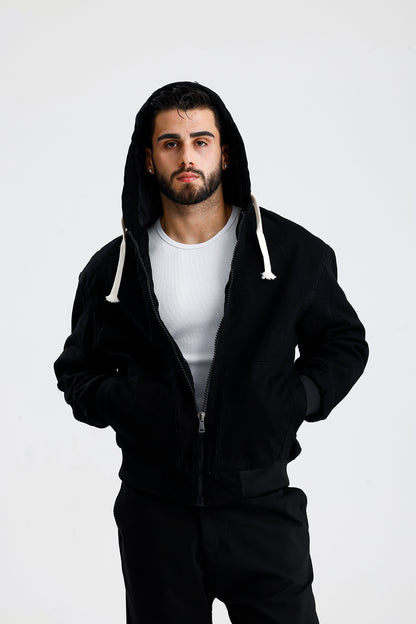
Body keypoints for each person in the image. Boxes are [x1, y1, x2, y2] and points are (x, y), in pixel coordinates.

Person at [54, 81, 369, 624]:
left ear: (224, 153)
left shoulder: (293, 254)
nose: (187, 156)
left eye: (201, 141)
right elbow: (77, 369)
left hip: (261, 505)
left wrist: (295, 397)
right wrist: (126, 402)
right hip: (155, 513)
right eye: (170, 143)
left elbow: (343, 342)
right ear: (149, 159)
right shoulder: (112, 271)